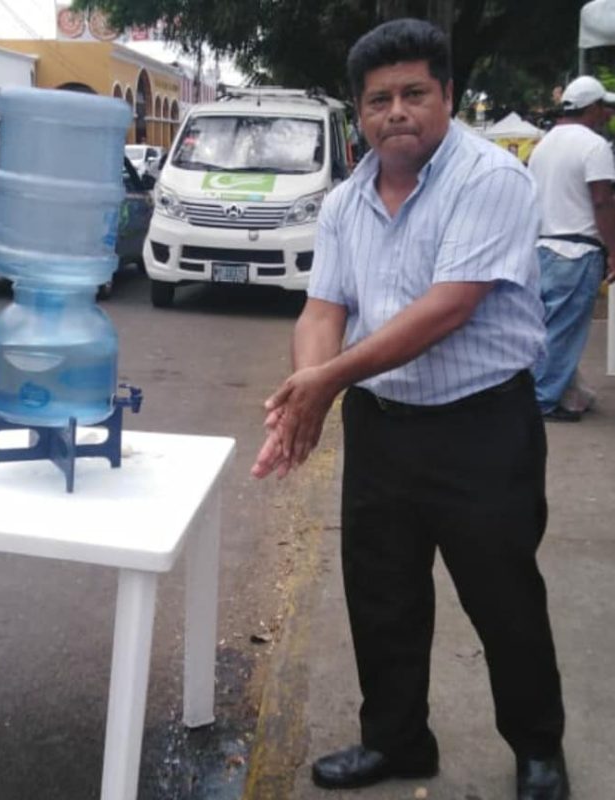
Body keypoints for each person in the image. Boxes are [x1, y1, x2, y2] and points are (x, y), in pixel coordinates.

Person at [251, 18, 568, 800]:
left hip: (480, 427)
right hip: (382, 428)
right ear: (359, 113)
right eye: (378, 99)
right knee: (381, 593)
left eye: (413, 93)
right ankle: (395, 743)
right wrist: (306, 390)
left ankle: (537, 750)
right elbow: (323, 308)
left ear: (447, 95)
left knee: (502, 596)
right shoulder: (343, 203)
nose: (396, 111)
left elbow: (447, 306)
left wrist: (326, 382)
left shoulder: (489, 179)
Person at [528, 75, 615, 422]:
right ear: (592, 108)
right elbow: (602, 201)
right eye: (605, 107)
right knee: (564, 331)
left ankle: (562, 392)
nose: (608, 114)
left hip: (543, 246)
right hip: (578, 250)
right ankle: (542, 400)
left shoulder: (543, 145)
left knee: (546, 328)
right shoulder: (594, 146)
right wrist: (614, 249)